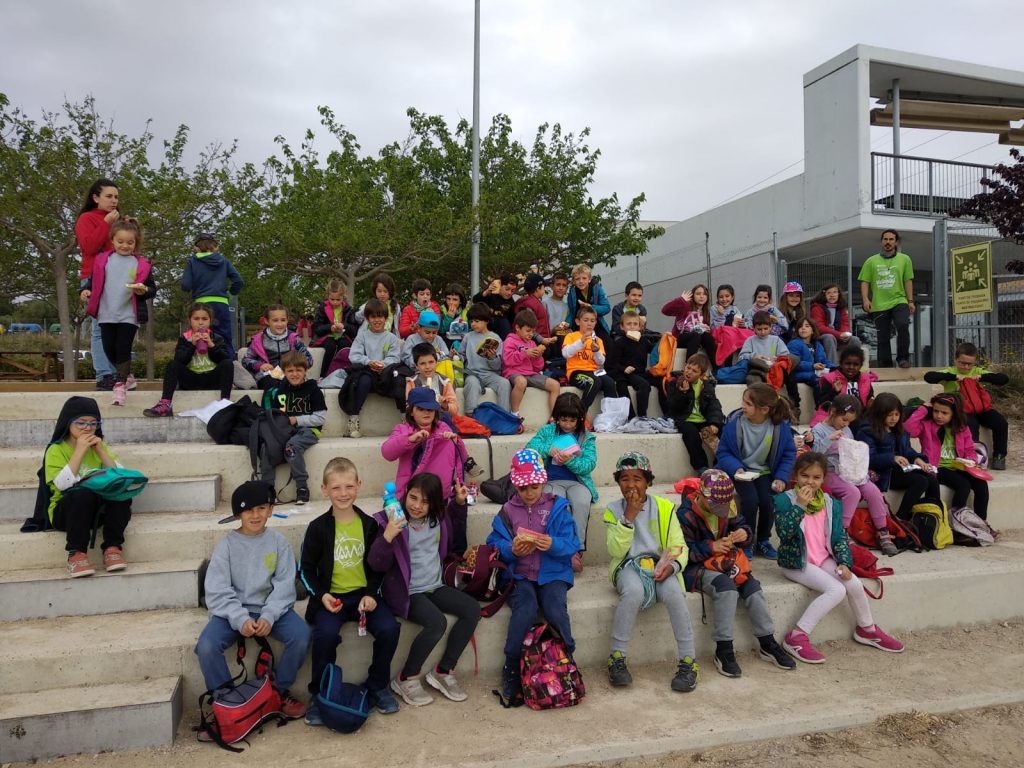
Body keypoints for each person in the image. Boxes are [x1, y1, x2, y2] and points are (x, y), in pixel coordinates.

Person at [775, 452, 904, 663]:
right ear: (795, 476)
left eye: (816, 477)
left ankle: (867, 629)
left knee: (853, 583)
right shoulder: (784, 500)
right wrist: (799, 506)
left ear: (823, 479)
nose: (810, 481)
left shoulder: (831, 503)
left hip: (823, 558)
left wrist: (844, 562)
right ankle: (796, 636)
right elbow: (784, 532)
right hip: (796, 561)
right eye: (805, 476)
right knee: (836, 590)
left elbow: (839, 538)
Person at [195, 480, 309, 719]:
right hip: (232, 611)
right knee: (206, 645)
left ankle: (277, 692)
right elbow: (217, 590)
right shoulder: (226, 546)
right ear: (238, 514)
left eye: (261, 508)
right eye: (248, 510)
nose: (255, 515)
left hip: (271, 609)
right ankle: (226, 701)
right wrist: (240, 618)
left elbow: (284, 585)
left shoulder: (279, 543)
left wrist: (269, 615)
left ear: (270, 510)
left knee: (301, 635)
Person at [299, 458, 401, 722]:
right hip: (331, 598)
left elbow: (379, 566)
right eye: (336, 488)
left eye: (349, 486)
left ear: (359, 485)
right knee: (324, 635)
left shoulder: (369, 525)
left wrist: (371, 594)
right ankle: (319, 692)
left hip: (363, 596)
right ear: (324, 489)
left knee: (390, 628)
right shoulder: (317, 528)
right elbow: (305, 570)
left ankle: (376, 685)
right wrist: (321, 595)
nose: (343, 493)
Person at [368, 472, 478, 706]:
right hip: (407, 591)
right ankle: (406, 677)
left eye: (425, 501)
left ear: (435, 504)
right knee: (437, 623)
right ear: (405, 494)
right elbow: (376, 563)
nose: (417, 506)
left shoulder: (438, 520)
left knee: (472, 609)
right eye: (413, 497)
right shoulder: (394, 520)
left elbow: (456, 535)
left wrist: (459, 505)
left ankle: (444, 670)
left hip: (434, 585)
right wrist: (387, 537)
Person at [678, 469, 795, 677]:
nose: (721, 510)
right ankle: (723, 649)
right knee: (726, 588)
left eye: (724, 505)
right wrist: (711, 547)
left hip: (725, 561)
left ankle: (767, 641)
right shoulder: (685, 514)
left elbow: (742, 527)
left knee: (752, 587)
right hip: (696, 567)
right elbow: (682, 553)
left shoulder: (726, 504)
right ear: (702, 496)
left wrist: (744, 534)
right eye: (715, 505)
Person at [488, 448, 579, 708]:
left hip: (553, 573)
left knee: (554, 608)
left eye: (534, 487)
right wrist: (511, 549)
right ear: (515, 485)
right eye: (523, 488)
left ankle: (567, 657)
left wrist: (552, 544)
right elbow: (494, 545)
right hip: (519, 575)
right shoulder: (507, 511)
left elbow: (572, 544)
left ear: (543, 482)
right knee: (526, 608)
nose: (529, 493)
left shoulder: (557, 507)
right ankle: (511, 666)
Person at [603, 452, 699, 691]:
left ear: (648, 481)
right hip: (628, 565)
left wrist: (672, 567)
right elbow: (615, 550)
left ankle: (688, 661)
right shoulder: (613, 510)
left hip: (661, 565)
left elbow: (678, 544)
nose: (631, 485)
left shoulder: (665, 508)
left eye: (637, 478)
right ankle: (617, 657)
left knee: (675, 593)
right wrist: (628, 517)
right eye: (624, 479)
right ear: (618, 483)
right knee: (633, 592)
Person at [43, 396, 132, 577]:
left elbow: (118, 475)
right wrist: (80, 450)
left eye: (93, 423)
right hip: (66, 513)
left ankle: (112, 547)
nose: (88, 428)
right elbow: (62, 485)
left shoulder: (99, 445)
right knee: (82, 493)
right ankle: (76, 554)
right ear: (68, 422)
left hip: (95, 513)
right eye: (81, 423)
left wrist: (99, 450)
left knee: (120, 492)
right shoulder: (56, 449)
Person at [715, 383, 797, 560]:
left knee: (768, 501)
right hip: (740, 471)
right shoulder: (735, 423)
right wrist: (735, 468)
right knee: (750, 500)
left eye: (748, 404)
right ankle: (746, 541)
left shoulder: (779, 427)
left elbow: (788, 454)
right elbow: (723, 452)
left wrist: (781, 478)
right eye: (743, 401)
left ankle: (763, 540)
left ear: (764, 409)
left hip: (764, 473)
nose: (743, 406)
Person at [809, 395, 897, 556]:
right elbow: (813, 456)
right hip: (829, 472)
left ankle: (882, 530)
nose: (846, 424)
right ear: (832, 411)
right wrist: (828, 440)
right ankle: (841, 531)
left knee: (873, 491)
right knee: (852, 492)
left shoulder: (847, 430)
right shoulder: (818, 430)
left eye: (849, 421)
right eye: (844, 419)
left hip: (849, 471)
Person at [83, 217, 157, 407]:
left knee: (123, 348)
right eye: (120, 241)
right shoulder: (103, 260)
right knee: (109, 348)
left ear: (136, 243)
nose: (125, 245)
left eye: (130, 242)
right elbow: (92, 281)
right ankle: (127, 377)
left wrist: (143, 290)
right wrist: (86, 290)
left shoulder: (142, 264)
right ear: (112, 240)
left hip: (129, 315)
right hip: (106, 313)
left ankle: (120, 385)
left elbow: (151, 289)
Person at [526, 392, 596, 573]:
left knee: (582, 502)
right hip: (552, 481)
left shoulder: (586, 437)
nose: (567, 425)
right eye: (563, 420)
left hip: (578, 482)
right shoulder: (547, 431)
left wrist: (570, 460)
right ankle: (560, 547)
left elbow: (589, 464)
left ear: (580, 419)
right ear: (556, 417)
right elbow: (530, 448)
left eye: (572, 421)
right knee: (557, 503)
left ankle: (576, 549)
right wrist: (547, 449)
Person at [923, 342, 1008, 470]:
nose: (966, 367)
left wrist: (982, 377)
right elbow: (928, 377)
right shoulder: (950, 372)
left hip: (979, 408)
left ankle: (999, 457)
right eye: (962, 363)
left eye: (970, 364)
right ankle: (973, 458)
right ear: (955, 359)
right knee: (971, 424)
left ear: (974, 362)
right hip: (960, 409)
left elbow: (1003, 379)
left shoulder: (977, 371)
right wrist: (953, 377)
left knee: (1001, 423)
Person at [857, 393, 941, 521]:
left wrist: (918, 460)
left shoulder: (899, 429)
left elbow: (907, 450)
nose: (894, 419)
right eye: (889, 415)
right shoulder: (867, 431)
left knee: (932, 479)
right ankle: (901, 518)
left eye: (897, 414)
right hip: (883, 474)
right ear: (879, 414)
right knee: (920, 481)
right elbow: (869, 459)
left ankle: (932, 518)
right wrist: (892, 458)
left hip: (900, 469)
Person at [905, 393, 989, 520]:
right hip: (937, 467)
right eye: (936, 411)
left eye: (944, 413)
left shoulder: (962, 427)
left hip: (959, 466)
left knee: (981, 484)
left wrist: (970, 461)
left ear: (954, 413)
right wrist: (923, 409)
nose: (939, 416)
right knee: (963, 485)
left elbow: (969, 449)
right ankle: (957, 521)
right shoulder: (927, 424)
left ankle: (981, 522)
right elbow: (908, 430)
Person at [259, 350, 326, 505]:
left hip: (309, 430)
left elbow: (320, 417)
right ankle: (268, 489)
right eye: (290, 371)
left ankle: (302, 487)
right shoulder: (281, 390)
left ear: (305, 371)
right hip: (286, 430)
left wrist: (297, 419)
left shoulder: (313, 389)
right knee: (266, 447)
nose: (294, 374)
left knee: (292, 447)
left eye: (299, 370)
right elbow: (276, 413)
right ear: (284, 372)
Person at [144, 303, 233, 417]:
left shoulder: (217, 338)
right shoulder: (184, 338)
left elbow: (224, 359)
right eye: (196, 319)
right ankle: (165, 404)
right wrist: (191, 345)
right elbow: (180, 360)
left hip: (212, 379)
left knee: (228, 363)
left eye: (204, 319)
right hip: (191, 380)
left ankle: (224, 403)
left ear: (210, 321)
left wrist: (212, 345)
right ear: (190, 320)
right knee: (172, 364)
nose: (200, 322)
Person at [381, 387, 466, 501]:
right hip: (411, 493)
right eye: (421, 409)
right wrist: (410, 439)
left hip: (438, 494)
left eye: (430, 409)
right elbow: (387, 453)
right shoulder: (402, 429)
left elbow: (463, 457)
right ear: (411, 411)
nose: (426, 412)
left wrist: (456, 441)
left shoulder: (443, 427)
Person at [75, 178, 118, 390]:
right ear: (95, 197)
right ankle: (104, 375)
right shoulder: (87, 218)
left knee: (117, 328)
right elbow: (89, 246)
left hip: (117, 279)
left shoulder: (118, 220)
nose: (113, 200)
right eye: (108, 196)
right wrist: (106, 223)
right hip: (95, 278)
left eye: (116, 197)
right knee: (100, 328)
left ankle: (117, 374)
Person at [340, 298, 404, 437]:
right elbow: (354, 356)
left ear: (386, 318)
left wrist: (383, 364)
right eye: (373, 317)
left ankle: (405, 419)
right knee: (362, 381)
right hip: (367, 371)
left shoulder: (391, 338)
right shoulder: (361, 337)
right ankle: (353, 419)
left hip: (385, 373)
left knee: (400, 380)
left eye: (380, 316)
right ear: (367, 319)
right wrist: (369, 362)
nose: (377, 320)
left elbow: (395, 357)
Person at [181, 232, 244, 360]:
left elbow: (185, 285)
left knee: (201, 337)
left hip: (201, 305)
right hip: (221, 304)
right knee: (225, 338)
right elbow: (239, 281)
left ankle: (203, 366)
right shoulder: (224, 261)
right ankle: (229, 365)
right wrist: (230, 294)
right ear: (215, 247)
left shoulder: (193, 262)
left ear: (196, 248)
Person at [859, 229, 915, 368]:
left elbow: (908, 280)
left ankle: (903, 358)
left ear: (896, 242)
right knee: (883, 336)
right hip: (879, 304)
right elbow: (865, 281)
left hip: (899, 300)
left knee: (902, 325)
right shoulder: (871, 261)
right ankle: (885, 364)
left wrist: (910, 301)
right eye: (885, 239)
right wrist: (866, 299)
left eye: (891, 239)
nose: (888, 242)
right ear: (881, 242)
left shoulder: (905, 259)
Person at [666, 352, 725, 474]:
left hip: (703, 419)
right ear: (684, 366)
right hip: (685, 418)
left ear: (701, 375)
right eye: (688, 368)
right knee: (691, 435)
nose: (689, 372)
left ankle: (720, 463)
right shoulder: (674, 383)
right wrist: (684, 393)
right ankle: (701, 467)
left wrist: (714, 423)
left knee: (722, 431)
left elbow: (713, 405)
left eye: (694, 371)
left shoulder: (706, 386)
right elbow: (673, 406)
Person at [242, 304, 313, 391]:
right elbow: (245, 360)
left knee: (301, 383)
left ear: (287, 320)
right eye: (275, 320)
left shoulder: (294, 338)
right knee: (272, 384)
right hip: (267, 376)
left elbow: (309, 359)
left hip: (290, 375)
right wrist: (260, 365)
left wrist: (294, 366)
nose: (280, 324)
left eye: (283, 320)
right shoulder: (258, 340)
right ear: (267, 321)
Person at [503, 309, 559, 417]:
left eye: (533, 331)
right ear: (517, 328)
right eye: (528, 330)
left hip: (530, 374)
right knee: (521, 382)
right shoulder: (510, 340)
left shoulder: (532, 343)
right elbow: (507, 360)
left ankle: (554, 417)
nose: (531, 334)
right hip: (514, 373)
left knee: (555, 385)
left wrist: (538, 357)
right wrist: (525, 353)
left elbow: (538, 368)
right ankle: (514, 414)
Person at [562, 306, 617, 410]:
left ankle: (610, 415)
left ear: (595, 323)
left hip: (594, 372)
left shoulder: (598, 340)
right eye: (586, 320)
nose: (589, 323)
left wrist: (596, 351)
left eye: (592, 321)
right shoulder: (571, 336)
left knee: (609, 382)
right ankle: (580, 413)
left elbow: (601, 362)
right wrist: (581, 341)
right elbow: (565, 354)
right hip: (575, 372)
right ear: (578, 322)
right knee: (595, 381)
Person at [461, 303, 512, 415]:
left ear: (486, 321)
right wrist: (455, 355)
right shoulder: (468, 337)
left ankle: (504, 415)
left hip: (490, 374)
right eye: (471, 321)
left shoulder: (495, 338)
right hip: (472, 373)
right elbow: (461, 356)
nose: (473, 324)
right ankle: (471, 415)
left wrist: (492, 357)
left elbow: (498, 366)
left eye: (477, 321)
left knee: (504, 383)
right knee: (472, 383)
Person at [607, 312, 657, 418]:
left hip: (641, 372)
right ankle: (642, 416)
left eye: (635, 324)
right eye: (629, 324)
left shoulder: (644, 341)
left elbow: (654, 349)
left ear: (639, 327)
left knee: (662, 381)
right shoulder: (619, 343)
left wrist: (665, 339)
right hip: (627, 374)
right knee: (644, 385)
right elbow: (611, 363)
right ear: (622, 327)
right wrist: (624, 368)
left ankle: (668, 414)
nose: (632, 327)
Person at [310, 278, 356, 377]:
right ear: (328, 296)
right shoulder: (322, 308)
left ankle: (343, 373)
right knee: (330, 345)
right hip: (326, 337)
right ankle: (324, 375)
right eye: (332, 299)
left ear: (343, 297)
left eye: (338, 300)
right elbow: (316, 328)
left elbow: (354, 329)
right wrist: (330, 327)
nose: (335, 302)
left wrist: (344, 326)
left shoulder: (348, 309)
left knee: (345, 345)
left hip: (343, 337)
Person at [808, 283, 859, 365]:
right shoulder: (817, 307)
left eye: (835, 292)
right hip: (822, 338)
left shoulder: (841, 308)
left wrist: (844, 334)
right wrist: (839, 334)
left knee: (855, 339)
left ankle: (853, 365)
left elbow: (845, 324)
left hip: (838, 337)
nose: (832, 295)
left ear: (839, 294)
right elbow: (819, 327)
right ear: (824, 295)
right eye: (829, 293)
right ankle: (833, 367)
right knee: (829, 337)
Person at [818, 346, 876, 417]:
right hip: (838, 417)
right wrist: (834, 391)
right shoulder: (831, 379)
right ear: (841, 364)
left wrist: (871, 406)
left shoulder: (865, 379)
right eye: (847, 363)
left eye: (855, 364)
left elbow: (870, 400)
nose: (851, 367)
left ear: (860, 366)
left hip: (860, 416)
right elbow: (823, 404)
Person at [405, 343, 458, 417]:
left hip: (441, 418)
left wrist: (446, 406)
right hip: (420, 420)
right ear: (416, 366)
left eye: (431, 362)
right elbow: (409, 408)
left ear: (436, 362)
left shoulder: (444, 382)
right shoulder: (412, 382)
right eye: (422, 363)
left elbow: (455, 410)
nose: (427, 367)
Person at [666, 284, 716, 362]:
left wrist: (708, 329)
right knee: (695, 335)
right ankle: (689, 365)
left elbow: (709, 330)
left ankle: (716, 367)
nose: (701, 296)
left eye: (704, 294)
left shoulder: (706, 312)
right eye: (698, 294)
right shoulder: (685, 306)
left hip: (697, 339)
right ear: (693, 296)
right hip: (681, 338)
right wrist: (681, 300)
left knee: (707, 336)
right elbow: (665, 310)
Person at [566, 263, 612, 348]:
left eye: (584, 278)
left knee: (608, 344)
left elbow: (607, 307)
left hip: (596, 324)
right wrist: (566, 323)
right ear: (573, 281)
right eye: (577, 279)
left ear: (589, 279)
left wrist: (591, 307)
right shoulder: (572, 293)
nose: (581, 281)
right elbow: (572, 313)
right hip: (579, 327)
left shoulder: (597, 288)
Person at [787, 318, 834, 393]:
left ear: (813, 331)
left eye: (807, 326)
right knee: (818, 381)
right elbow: (794, 363)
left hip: (817, 373)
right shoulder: (793, 344)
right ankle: (820, 400)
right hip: (800, 374)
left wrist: (833, 367)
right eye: (800, 326)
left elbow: (824, 360)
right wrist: (812, 366)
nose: (803, 328)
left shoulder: (817, 345)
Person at [472, 274, 519, 339]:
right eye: (507, 289)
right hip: (486, 328)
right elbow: (475, 300)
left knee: (504, 321)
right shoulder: (491, 295)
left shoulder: (511, 303)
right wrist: (486, 292)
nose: (509, 293)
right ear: (500, 286)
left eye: (512, 291)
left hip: (500, 333)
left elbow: (511, 321)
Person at [542, 272, 571, 373]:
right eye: (558, 284)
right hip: (548, 339)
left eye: (564, 285)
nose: (561, 288)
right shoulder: (545, 303)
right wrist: (553, 330)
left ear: (566, 289)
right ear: (551, 286)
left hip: (562, 339)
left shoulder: (566, 307)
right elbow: (542, 327)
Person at [514, 273, 555, 344]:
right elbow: (527, 325)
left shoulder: (532, 301)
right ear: (538, 288)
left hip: (541, 340)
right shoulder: (529, 304)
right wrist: (541, 339)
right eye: (544, 287)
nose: (544, 289)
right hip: (534, 343)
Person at [439, 282, 469, 353]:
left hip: (463, 342)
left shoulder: (467, 311)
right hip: (446, 343)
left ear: (460, 301)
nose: (451, 302)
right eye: (448, 299)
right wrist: (449, 317)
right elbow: (441, 331)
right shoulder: (441, 310)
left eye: (455, 299)